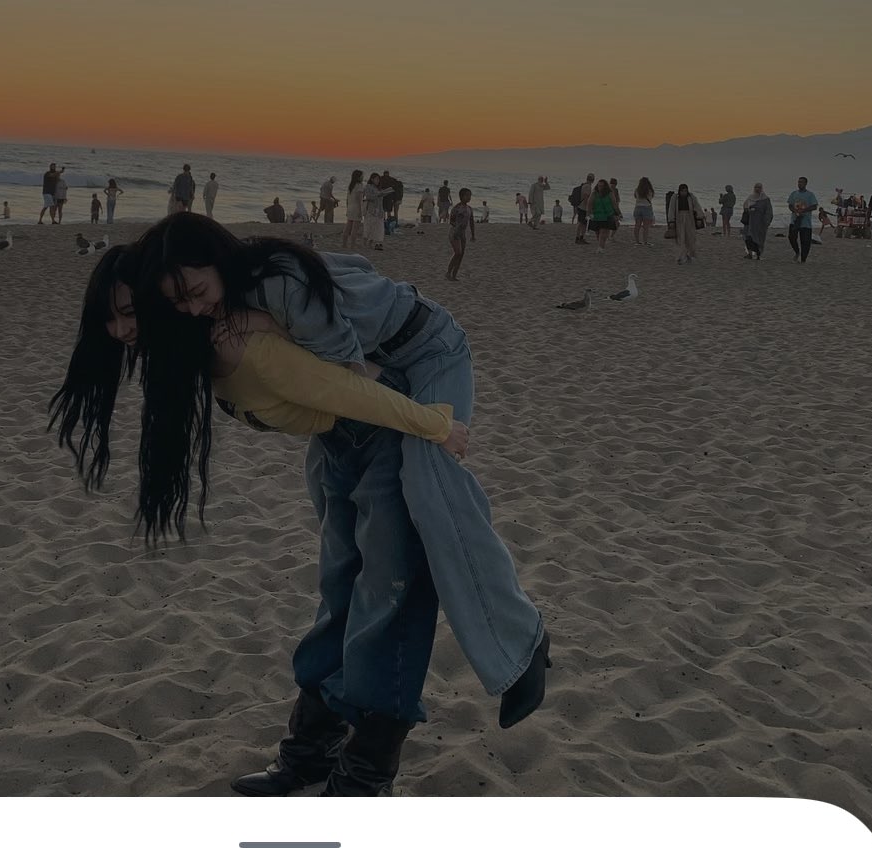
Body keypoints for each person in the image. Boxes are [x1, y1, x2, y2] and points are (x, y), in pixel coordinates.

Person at [50, 249, 475, 795]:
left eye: (130, 313)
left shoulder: (237, 336)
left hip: (389, 420)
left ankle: (364, 778)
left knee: (391, 595)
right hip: (342, 438)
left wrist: (434, 426)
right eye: (109, 319)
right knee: (340, 592)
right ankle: (310, 752)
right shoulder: (196, 341)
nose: (120, 330)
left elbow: (345, 387)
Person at [125, 214, 551, 730]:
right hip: (375, 367)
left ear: (217, 259)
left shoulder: (276, 280)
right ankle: (325, 717)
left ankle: (522, 642)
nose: (195, 309)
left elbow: (346, 372)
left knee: (429, 486)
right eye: (181, 303)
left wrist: (272, 325)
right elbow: (355, 265)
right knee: (337, 531)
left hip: (426, 351)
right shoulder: (239, 289)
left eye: (197, 292)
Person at [667, 182, 705, 263]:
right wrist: (671, 220)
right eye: (682, 191)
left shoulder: (691, 197)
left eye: (685, 191)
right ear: (679, 191)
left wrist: (699, 218)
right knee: (680, 238)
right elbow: (671, 209)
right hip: (679, 219)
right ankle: (681, 256)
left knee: (691, 237)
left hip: (689, 219)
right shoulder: (675, 197)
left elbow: (697, 207)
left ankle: (691, 255)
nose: (684, 193)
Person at [786, 176, 817, 262]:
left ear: (805, 183)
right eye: (799, 182)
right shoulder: (794, 193)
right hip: (794, 220)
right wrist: (795, 211)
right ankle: (797, 252)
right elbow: (790, 205)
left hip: (805, 222)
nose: (799, 184)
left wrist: (804, 210)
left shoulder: (810, 194)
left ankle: (803, 259)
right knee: (791, 237)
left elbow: (814, 206)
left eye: (801, 182)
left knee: (805, 242)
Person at [447, 187, 475, 279]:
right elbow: (451, 221)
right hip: (454, 232)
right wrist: (456, 230)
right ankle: (448, 272)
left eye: (470, 195)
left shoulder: (469, 209)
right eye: (467, 195)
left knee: (461, 254)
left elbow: (471, 222)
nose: (469, 197)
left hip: (462, 234)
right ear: (461, 196)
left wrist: (473, 235)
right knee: (458, 253)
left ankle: (454, 275)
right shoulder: (456, 208)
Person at [741, 183, 773, 260]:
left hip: (759, 223)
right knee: (747, 237)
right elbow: (745, 205)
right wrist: (748, 210)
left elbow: (769, 212)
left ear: (761, 188)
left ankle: (758, 255)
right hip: (749, 221)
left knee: (758, 239)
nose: (757, 189)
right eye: (756, 187)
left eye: (759, 187)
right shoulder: (750, 197)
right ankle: (749, 254)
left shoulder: (765, 199)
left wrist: (766, 222)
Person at [587, 179, 618, 253]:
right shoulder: (594, 193)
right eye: (599, 185)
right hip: (596, 215)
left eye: (601, 186)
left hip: (607, 215)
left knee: (603, 232)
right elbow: (589, 204)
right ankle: (601, 245)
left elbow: (614, 204)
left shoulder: (610, 193)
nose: (600, 187)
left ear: (605, 187)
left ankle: (601, 247)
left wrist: (618, 213)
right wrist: (588, 213)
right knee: (598, 232)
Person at [361, 169, 386, 251]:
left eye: (379, 179)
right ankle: (365, 243)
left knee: (377, 228)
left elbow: (380, 201)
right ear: (372, 179)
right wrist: (378, 195)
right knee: (369, 227)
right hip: (371, 210)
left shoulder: (378, 188)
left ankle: (371, 243)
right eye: (376, 179)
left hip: (379, 210)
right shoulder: (368, 186)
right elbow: (368, 197)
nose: (378, 181)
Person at [342, 170, 364, 249]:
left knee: (348, 226)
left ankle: (344, 244)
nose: (363, 177)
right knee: (355, 228)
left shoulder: (351, 185)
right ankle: (352, 245)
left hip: (350, 207)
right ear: (358, 177)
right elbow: (359, 200)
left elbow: (347, 199)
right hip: (356, 208)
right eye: (362, 175)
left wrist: (347, 208)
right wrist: (361, 211)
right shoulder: (359, 185)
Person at [632, 177, 655, 246]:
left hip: (637, 208)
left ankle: (637, 241)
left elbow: (635, 197)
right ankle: (645, 242)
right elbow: (651, 198)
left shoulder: (637, 190)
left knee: (637, 225)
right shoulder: (650, 191)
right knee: (646, 227)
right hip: (647, 208)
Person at [574, 173, 595, 243]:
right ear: (593, 180)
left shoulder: (584, 185)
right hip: (584, 208)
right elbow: (586, 197)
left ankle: (579, 238)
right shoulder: (588, 186)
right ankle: (579, 238)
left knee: (581, 223)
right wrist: (589, 207)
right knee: (582, 223)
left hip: (581, 207)